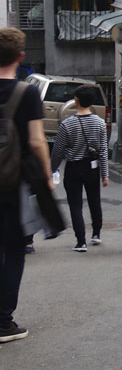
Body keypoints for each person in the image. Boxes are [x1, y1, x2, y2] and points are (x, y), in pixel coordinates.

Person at [0, 28, 53, 342]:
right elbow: (36, 141)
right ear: (21, 57)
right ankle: (4, 322)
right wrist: (46, 176)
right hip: (14, 185)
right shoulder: (28, 93)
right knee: (15, 251)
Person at [51, 85, 109, 252]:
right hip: (93, 167)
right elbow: (103, 150)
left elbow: (58, 151)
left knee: (75, 204)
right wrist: (105, 174)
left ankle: (81, 241)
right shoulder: (99, 123)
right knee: (94, 200)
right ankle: (96, 234)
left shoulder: (67, 124)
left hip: (74, 167)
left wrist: (52, 169)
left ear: (76, 101)